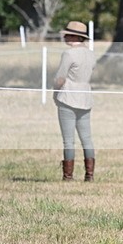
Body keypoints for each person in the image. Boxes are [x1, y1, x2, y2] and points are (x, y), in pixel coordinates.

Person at [53, 21, 96, 181]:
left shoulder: (69, 54)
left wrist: (55, 92)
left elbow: (60, 79)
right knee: (87, 139)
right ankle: (89, 175)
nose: (64, 36)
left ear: (74, 36)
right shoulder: (91, 54)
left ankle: (68, 176)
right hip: (85, 98)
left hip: (68, 98)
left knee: (68, 140)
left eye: (67, 34)